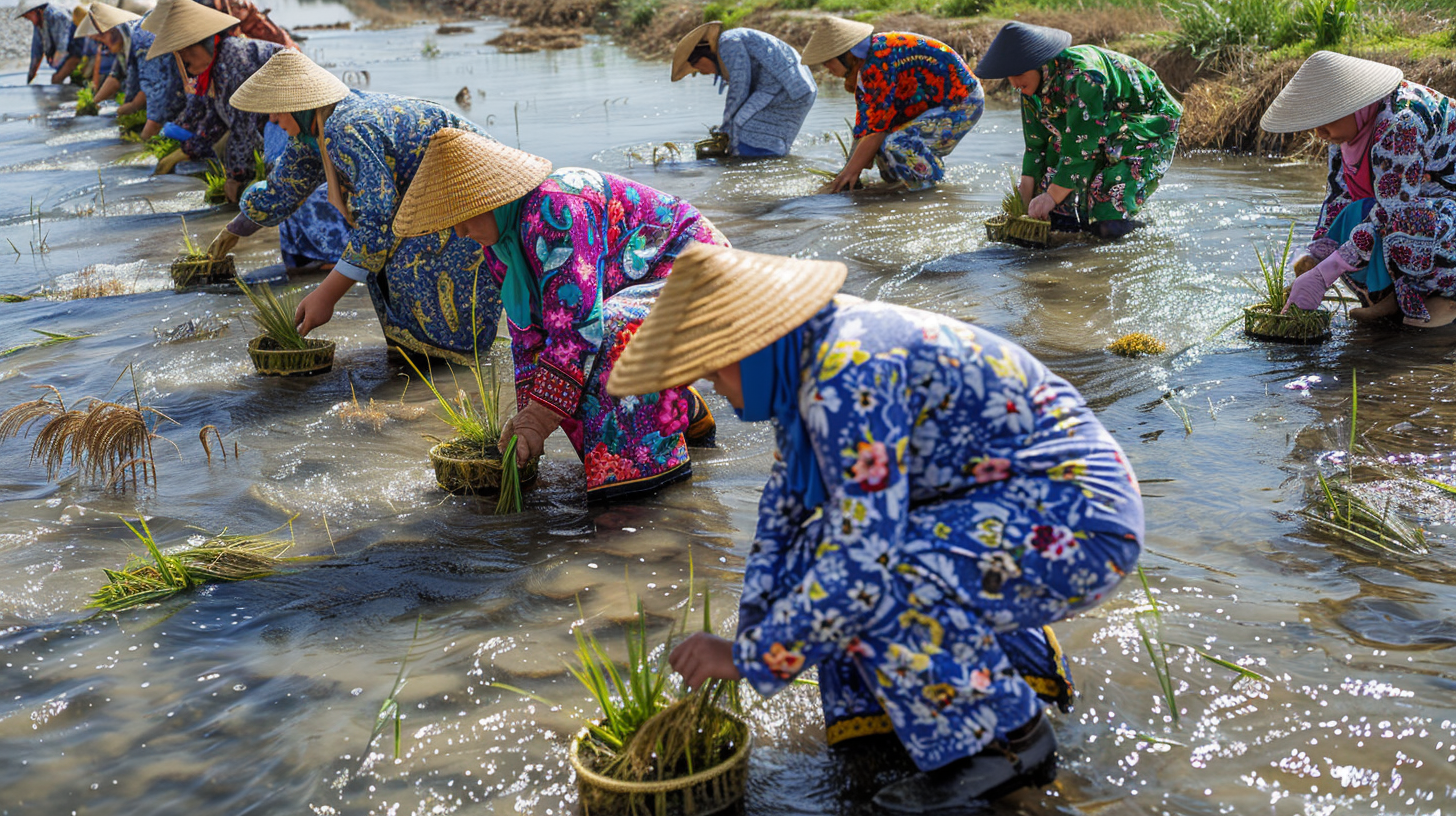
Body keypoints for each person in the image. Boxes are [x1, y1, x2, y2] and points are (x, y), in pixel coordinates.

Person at [606, 243, 1143, 811]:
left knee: (873, 574)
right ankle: (888, 721)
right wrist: (750, 636)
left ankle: (1009, 743)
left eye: (712, 366)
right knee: (824, 553)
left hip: (1077, 523)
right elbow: (782, 520)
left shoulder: (847, 367)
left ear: (751, 344)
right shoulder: (807, 371)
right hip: (996, 517)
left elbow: (865, 552)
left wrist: (753, 658)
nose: (712, 383)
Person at [391, 129, 727, 503]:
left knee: (609, 336)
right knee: (560, 377)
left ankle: (645, 493)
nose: (459, 230)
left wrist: (540, 418)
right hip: (641, 292)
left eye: (464, 215)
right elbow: (529, 337)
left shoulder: (556, 210)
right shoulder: (502, 243)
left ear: (492, 197)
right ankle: (673, 409)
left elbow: (580, 330)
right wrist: (527, 424)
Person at [218, 50, 501, 364]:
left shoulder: (346, 130)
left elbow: (376, 222)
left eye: (276, 111)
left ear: (300, 105)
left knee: (428, 297)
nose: (271, 120)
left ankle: (455, 384)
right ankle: (414, 377)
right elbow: (283, 189)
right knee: (392, 287)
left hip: (467, 196)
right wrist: (234, 229)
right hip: (420, 205)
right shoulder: (314, 130)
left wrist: (327, 294)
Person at [1263, 51, 1456, 328]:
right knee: (1349, 217)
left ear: (1355, 104)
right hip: (1424, 206)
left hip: (1447, 219)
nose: (1319, 132)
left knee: (1405, 221)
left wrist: (1326, 273)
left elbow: (1394, 211)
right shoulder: (1350, 131)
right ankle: (1387, 298)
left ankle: (1431, 295)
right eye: (1314, 122)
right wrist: (1315, 255)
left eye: (1326, 118)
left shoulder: (1400, 123)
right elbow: (1338, 196)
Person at [975, 22, 1181, 241]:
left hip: (1146, 123)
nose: (1015, 83)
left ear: (1039, 62)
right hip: (1102, 127)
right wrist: (1024, 203)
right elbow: (1036, 147)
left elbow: (1083, 148)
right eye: (1009, 76)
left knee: (1105, 222)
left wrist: (1051, 196)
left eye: (1018, 73)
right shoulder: (1030, 89)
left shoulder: (1085, 78)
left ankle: (1129, 228)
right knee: (1057, 214)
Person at [798, 16, 983, 193]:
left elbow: (876, 131)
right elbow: (867, 128)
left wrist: (847, 175)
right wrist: (849, 172)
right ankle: (902, 192)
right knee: (883, 151)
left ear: (847, 55)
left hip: (962, 102)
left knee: (898, 145)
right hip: (931, 103)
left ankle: (930, 194)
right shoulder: (868, 63)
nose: (827, 69)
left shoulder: (878, 61)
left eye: (828, 62)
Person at [142, 0, 282, 199]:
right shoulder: (216, 65)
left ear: (198, 45)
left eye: (185, 54)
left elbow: (242, 126)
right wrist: (186, 150)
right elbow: (215, 117)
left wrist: (236, 175)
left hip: (292, 124)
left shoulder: (233, 59)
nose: (185, 63)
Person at [669, 21, 816, 158]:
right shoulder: (731, 42)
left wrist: (726, 127)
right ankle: (772, 169)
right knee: (771, 138)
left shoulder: (727, 43)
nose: (702, 72)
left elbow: (740, 87)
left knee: (743, 130)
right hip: (798, 88)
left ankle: (749, 170)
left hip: (785, 88)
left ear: (701, 57)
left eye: (697, 67)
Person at [79, 3, 186, 141]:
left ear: (111, 30)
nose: (102, 46)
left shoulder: (143, 40)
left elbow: (156, 92)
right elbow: (117, 76)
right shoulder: (126, 39)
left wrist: (144, 140)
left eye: (101, 39)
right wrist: (94, 104)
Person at [18, 0, 84, 85]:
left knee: (56, 79)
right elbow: (36, 52)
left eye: (29, 17)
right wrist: (30, 78)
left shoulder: (56, 16)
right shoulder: (39, 24)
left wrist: (56, 68)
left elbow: (62, 47)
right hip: (66, 55)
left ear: (36, 11)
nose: (30, 20)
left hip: (77, 52)